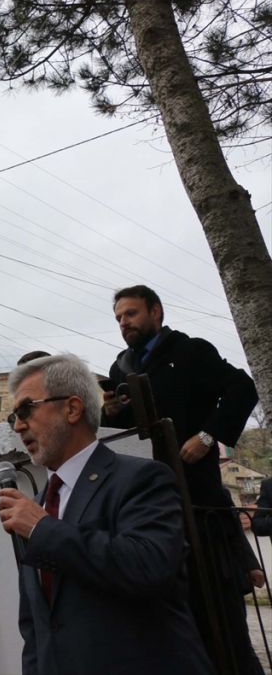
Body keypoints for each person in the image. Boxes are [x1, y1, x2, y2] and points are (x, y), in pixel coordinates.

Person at [0, 354, 213, 675]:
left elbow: (148, 566)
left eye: (27, 409)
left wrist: (44, 529)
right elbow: (36, 625)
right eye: (13, 416)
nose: (18, 426)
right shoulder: (40, 504)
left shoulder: (142, 479)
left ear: (72, 409)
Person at [101, 285, 263, 673]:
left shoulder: (190, 351)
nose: (125, 323)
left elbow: (243, 387)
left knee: (222, 626)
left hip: (199, 505)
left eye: (132, 313)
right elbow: (123, 431)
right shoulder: (120, 367)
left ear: (156, 311)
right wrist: (110, 412)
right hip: (152, 508)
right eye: (119, 317)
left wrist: (208, 436)